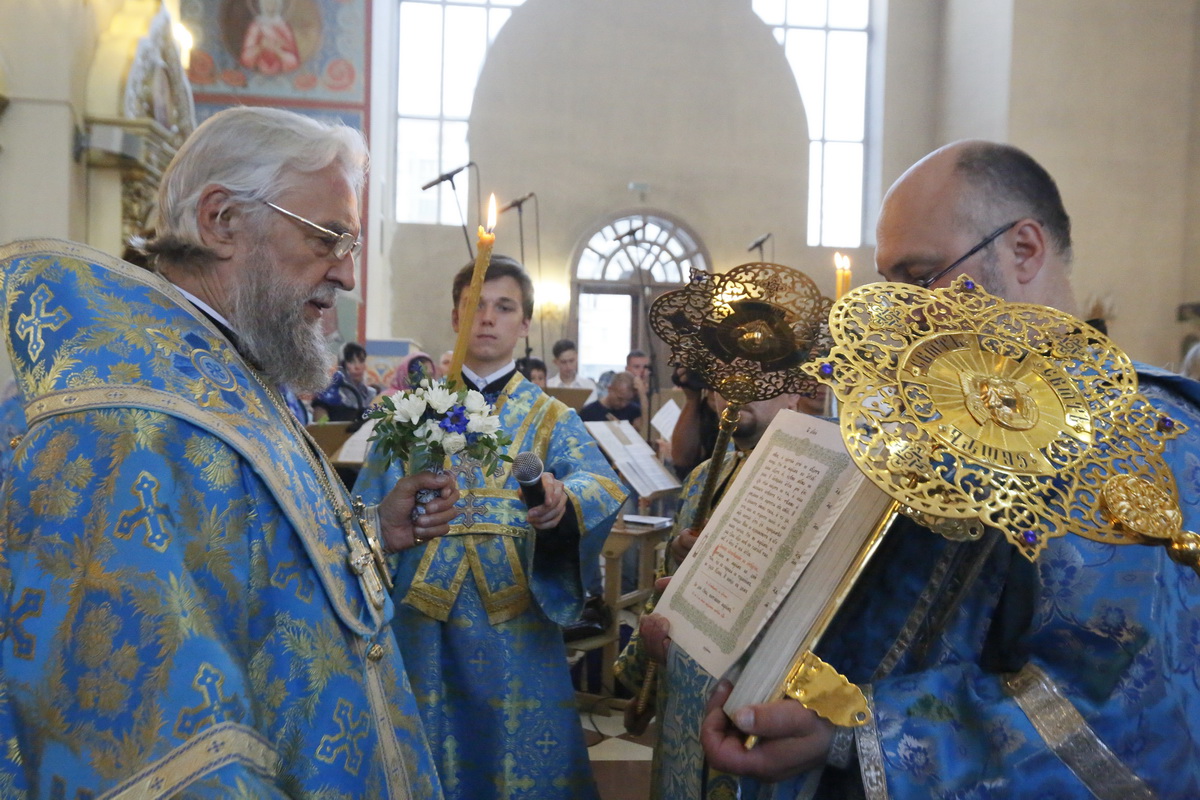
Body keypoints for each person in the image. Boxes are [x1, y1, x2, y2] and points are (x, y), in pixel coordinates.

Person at [660, 140, 1200, 798]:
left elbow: (1126, 716)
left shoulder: (1142, 436)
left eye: (920, 278)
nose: (902, 314)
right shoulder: (916, 416)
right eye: (891, 287)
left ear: (1024, 249)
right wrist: (745, 590)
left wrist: (859, 733)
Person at [0, 106, 461, 796]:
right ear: (221, 220)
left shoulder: (219, 376)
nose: (345, 274)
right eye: (329, 237)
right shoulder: (125, 420)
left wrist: (368, 535)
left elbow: (234, 566)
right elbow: (162, 744)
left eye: (352, 246)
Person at [354, 255, 628, 800]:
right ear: (456, 317)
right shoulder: (412, 412)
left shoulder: (552, 416)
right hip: (419, 615)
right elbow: (363, 508)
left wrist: (562, 503)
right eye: (475, 305)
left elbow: (602, 486)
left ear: (524, 324)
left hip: (516, 618)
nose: (488, 318)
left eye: (504, 307)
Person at [312, 341, 378, 421]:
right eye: (351, 361)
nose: (357, 367)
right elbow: (321, 427)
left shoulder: (371, 395)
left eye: (361, 361)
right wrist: (326, 423)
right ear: (342, 364)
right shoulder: (326, 396)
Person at [239, 0, 301, 75]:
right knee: (247, 57)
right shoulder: (256, 25)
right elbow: (246, 54)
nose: (270, 7)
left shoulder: (283, 26)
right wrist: (261, 46)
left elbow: (293, 53)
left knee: (292, 60)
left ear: (279, 6)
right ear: (261, 5)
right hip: (260, 62)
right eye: (267, 3)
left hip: (280, 60)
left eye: (273, 3)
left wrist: (278, 49)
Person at [546, 338, 598, 402]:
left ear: (577, 357)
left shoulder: (589, 386)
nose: (568, 367)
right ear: (555, 362)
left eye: (571, 361)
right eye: (563, 362)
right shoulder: (548, 387)